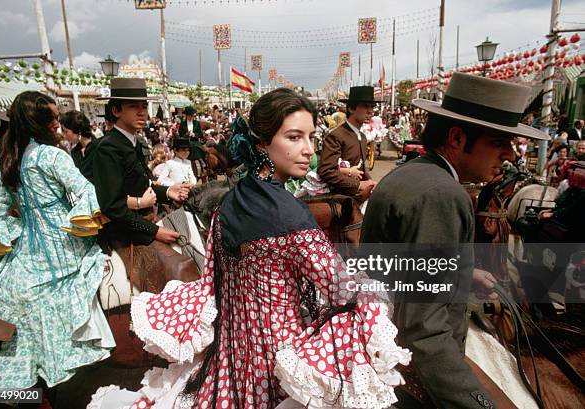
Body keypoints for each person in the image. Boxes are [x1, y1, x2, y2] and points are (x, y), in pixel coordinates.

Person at [88, 88, 410, 409]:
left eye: (311, 137)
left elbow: (213, 280)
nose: (307, 150)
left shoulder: (229, 202)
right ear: (261, 143)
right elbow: (341, 289)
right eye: (294, 137)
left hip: (231, 359)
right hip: (275, 363)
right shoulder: (289, 213)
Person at [361, 73, 550, 409]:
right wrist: (478, 403)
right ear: (457, 137)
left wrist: (462, 273)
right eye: (498, 142)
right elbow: (424, 331)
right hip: (407, 379)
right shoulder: (443, 195)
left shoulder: (414, 173)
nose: (510, 154)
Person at [0, 91, 115, 389]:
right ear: (34, 122)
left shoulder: (4, 161)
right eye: (50, 117)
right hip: (65, 244)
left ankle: (11, 380)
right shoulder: (52, 155)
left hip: (24, 248)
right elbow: (85, 191)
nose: (57, 123)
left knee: (12, 296)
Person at [93, 78, 190, 249]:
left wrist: (168, 192)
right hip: (123, 234)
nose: (141, 112)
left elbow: (142, 186)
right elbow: (112, 206)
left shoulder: (134, 141)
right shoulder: (108, 147)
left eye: (144, 107)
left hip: (143, 224)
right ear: (116, 111)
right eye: (133, 106)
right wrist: (153, 231)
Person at [318, 86, 377, 201]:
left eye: (372, 107)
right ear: (351, 109)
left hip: (358, 197)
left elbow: (362, 170)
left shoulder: (363, 137)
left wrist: (370, 183)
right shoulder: (336, 135)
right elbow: (326, 171)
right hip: (340, 201)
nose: (370, 111)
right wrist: (358, 185)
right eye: (365, 106)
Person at [60, 110, 101, 182]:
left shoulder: (100, 147)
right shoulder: (75, 152)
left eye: (66, 131)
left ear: (77, 131)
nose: (64, 135)